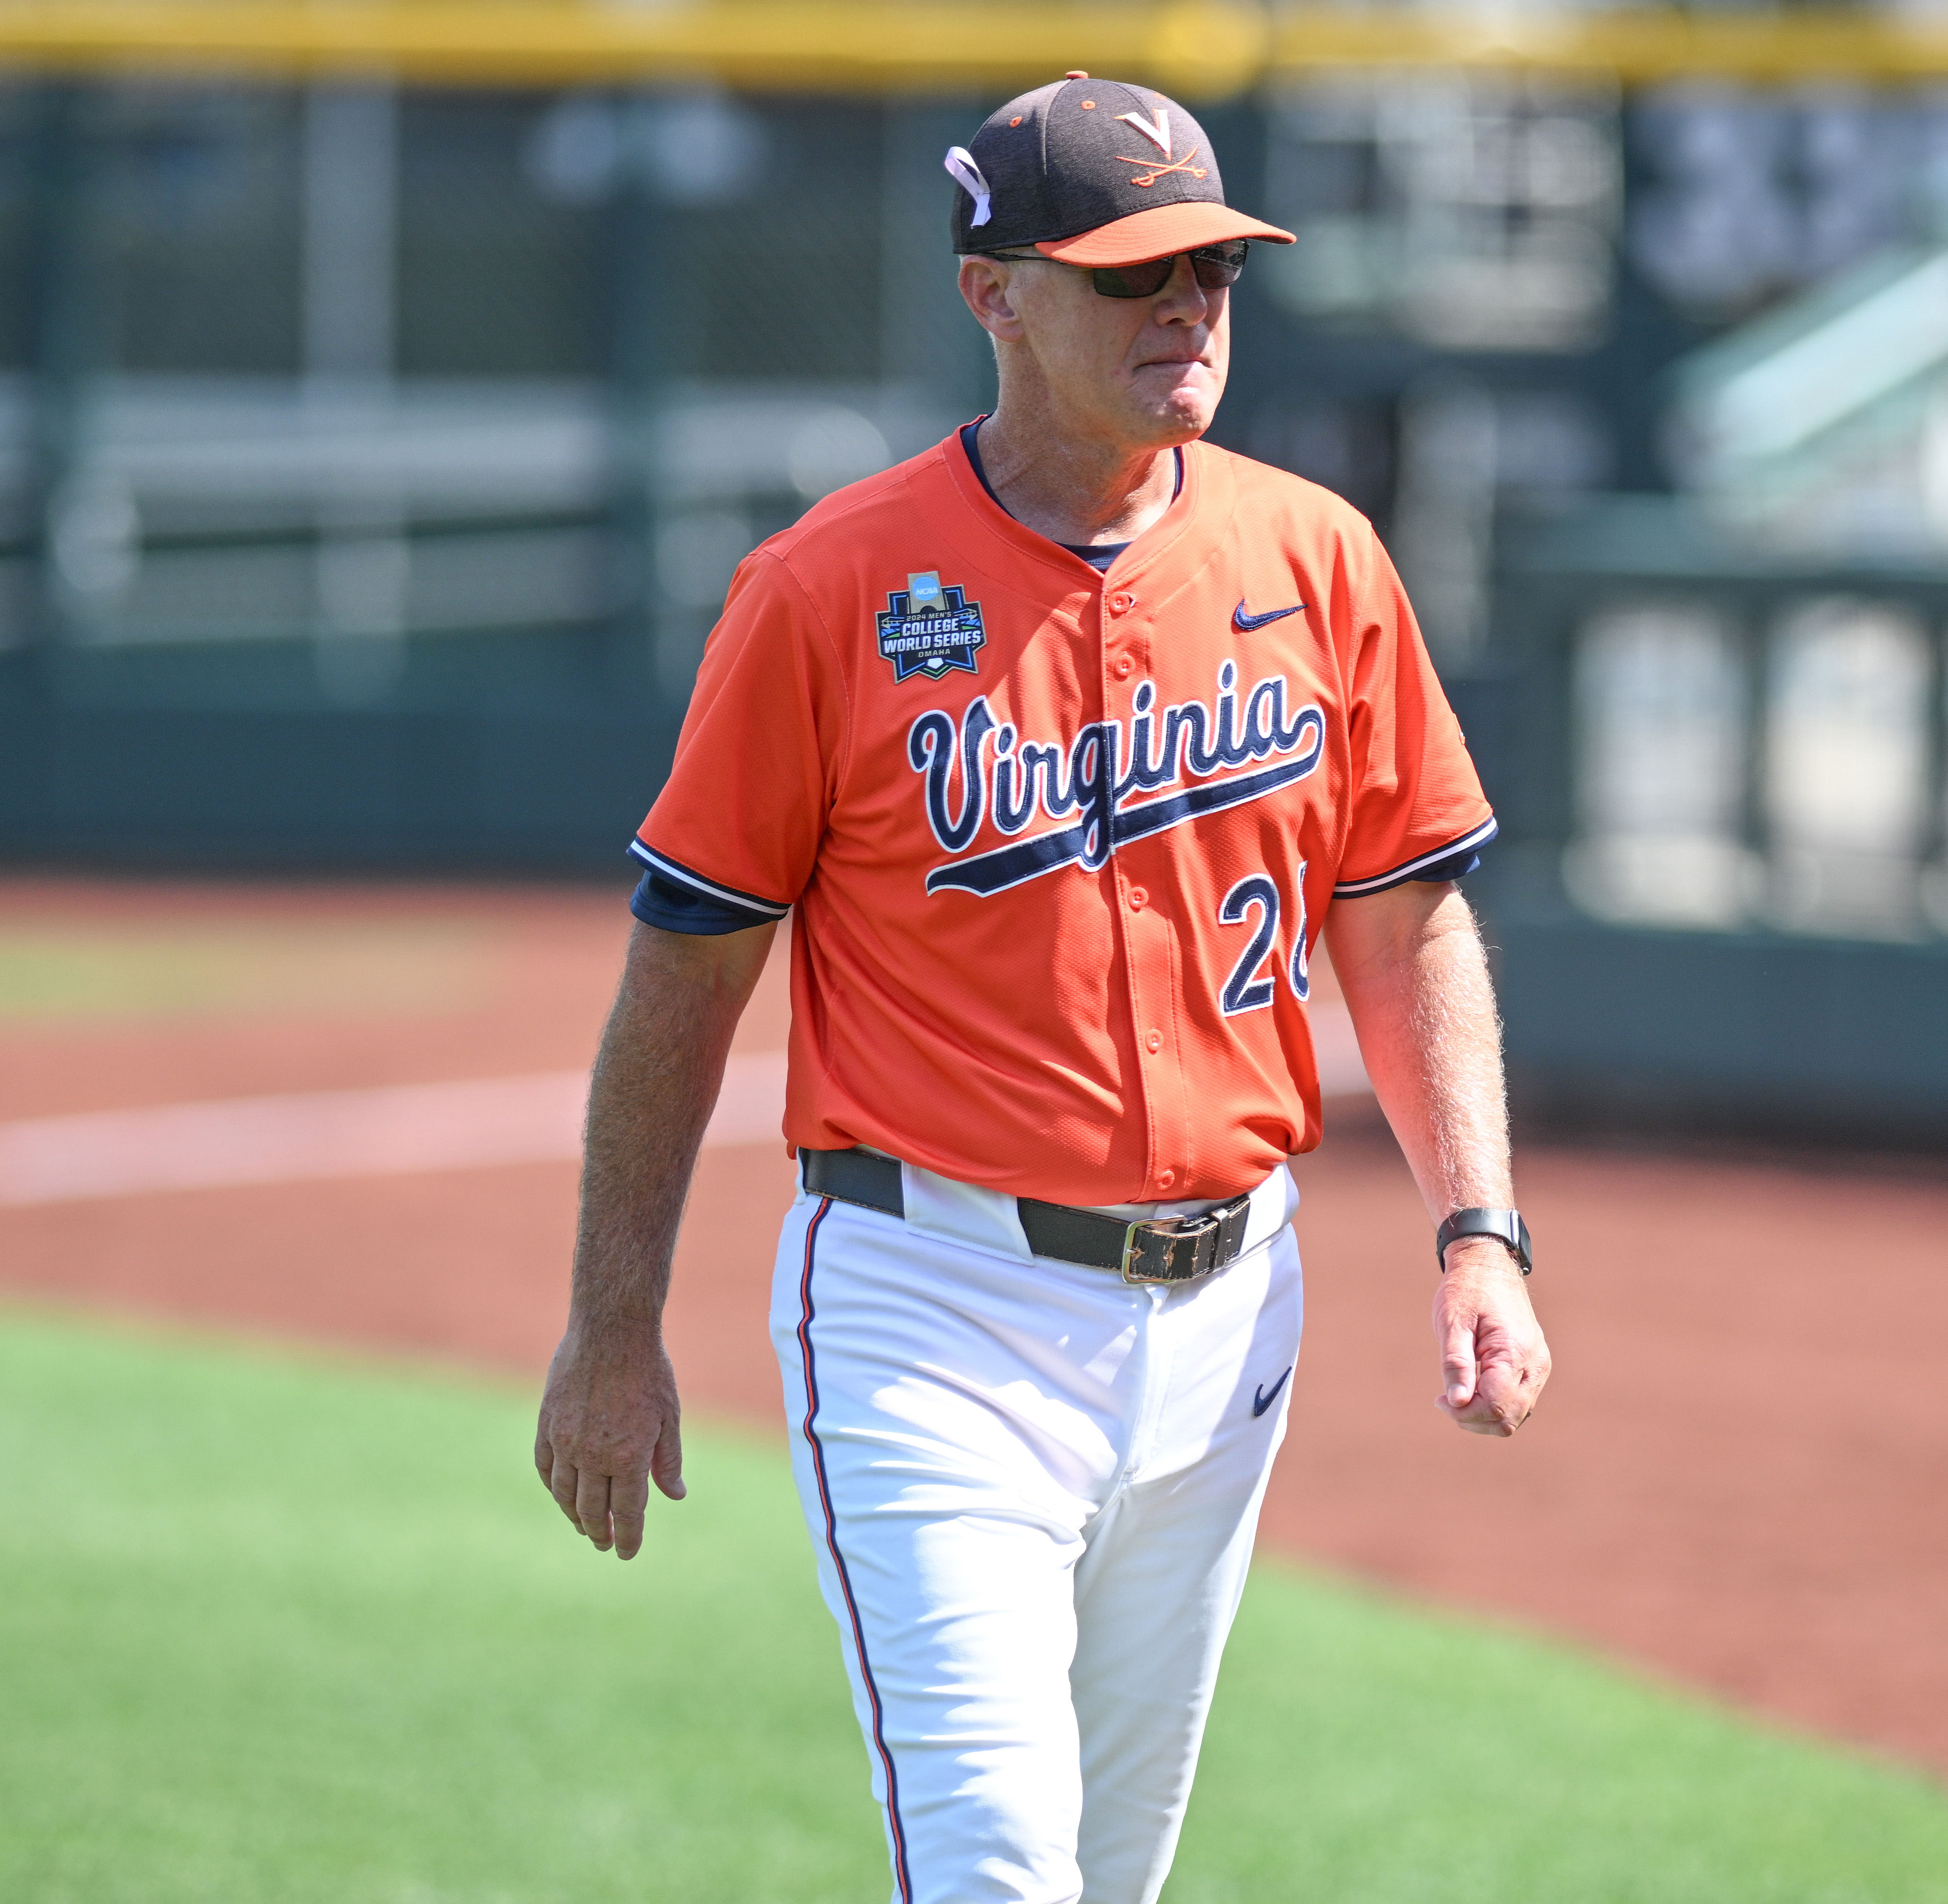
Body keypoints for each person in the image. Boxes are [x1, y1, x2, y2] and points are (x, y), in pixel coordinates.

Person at [530, 71, 1550, 1904]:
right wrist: (612, 1328)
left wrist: (1481, 1226)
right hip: (934, 1307)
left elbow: (1403, 918)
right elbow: (686, 979)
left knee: (1116, 1873)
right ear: (994, 293)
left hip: (1235, 1315)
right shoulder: (826, 590)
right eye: (1132, 273)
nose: (1188, 309)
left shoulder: (1316, 558)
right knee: (1001, 1868)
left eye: (1215, 270)